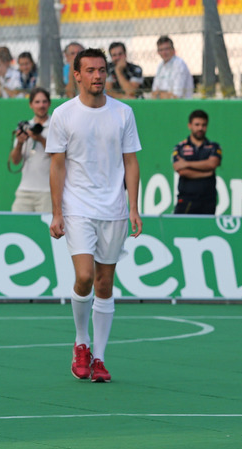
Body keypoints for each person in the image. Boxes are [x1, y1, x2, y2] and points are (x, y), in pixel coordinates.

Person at [46, 48, 143, 383]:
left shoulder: (123, 113)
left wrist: (133, 207)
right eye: (90, 70)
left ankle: (99, 358)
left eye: (102, 70)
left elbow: (131, 162)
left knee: (104, 282)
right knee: (84, 276)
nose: (98, 76)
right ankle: (81, 342)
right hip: (78, 209)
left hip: (114, 209)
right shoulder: (62, 115)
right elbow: (57, 165)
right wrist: (57, 212)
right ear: (76, 75)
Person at [10, 88, 52, 212]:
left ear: (49, 103)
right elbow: (15, 161)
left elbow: (58, 156)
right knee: (17, 226)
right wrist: (19, 143)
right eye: (37, 102)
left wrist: (40, 139)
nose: (41, 105)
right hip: (25, 189)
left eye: (44, 102)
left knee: (45, 229)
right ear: (31, 105)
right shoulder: (26, 126)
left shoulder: (55, 125)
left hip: (47, 191)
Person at [172, 109, 222, 214]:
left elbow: (212, 163)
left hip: (208, 199)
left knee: (206, 230)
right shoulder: (180, 147)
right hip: (186, 198)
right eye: (197, 124)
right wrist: (206, 172)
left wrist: (187, 163)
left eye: (204, 125)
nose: (200, 128)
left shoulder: (213, 146)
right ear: (189, 125)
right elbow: (181, 171)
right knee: (181, 228)